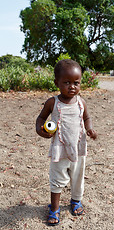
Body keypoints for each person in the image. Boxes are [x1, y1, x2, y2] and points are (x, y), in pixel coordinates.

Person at [36, 59, 97, 226]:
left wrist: (90, 129)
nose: (72, 86)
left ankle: (76, 201)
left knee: (77, 178)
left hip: (78, 147)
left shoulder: (81, 101)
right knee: (56, 179)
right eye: (67, 82)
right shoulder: (52, 102)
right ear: (57, 82)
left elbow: (87, 117)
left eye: (76, 83)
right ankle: (54, 209)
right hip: (59, 148)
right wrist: (40, 130)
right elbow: (41, 118)